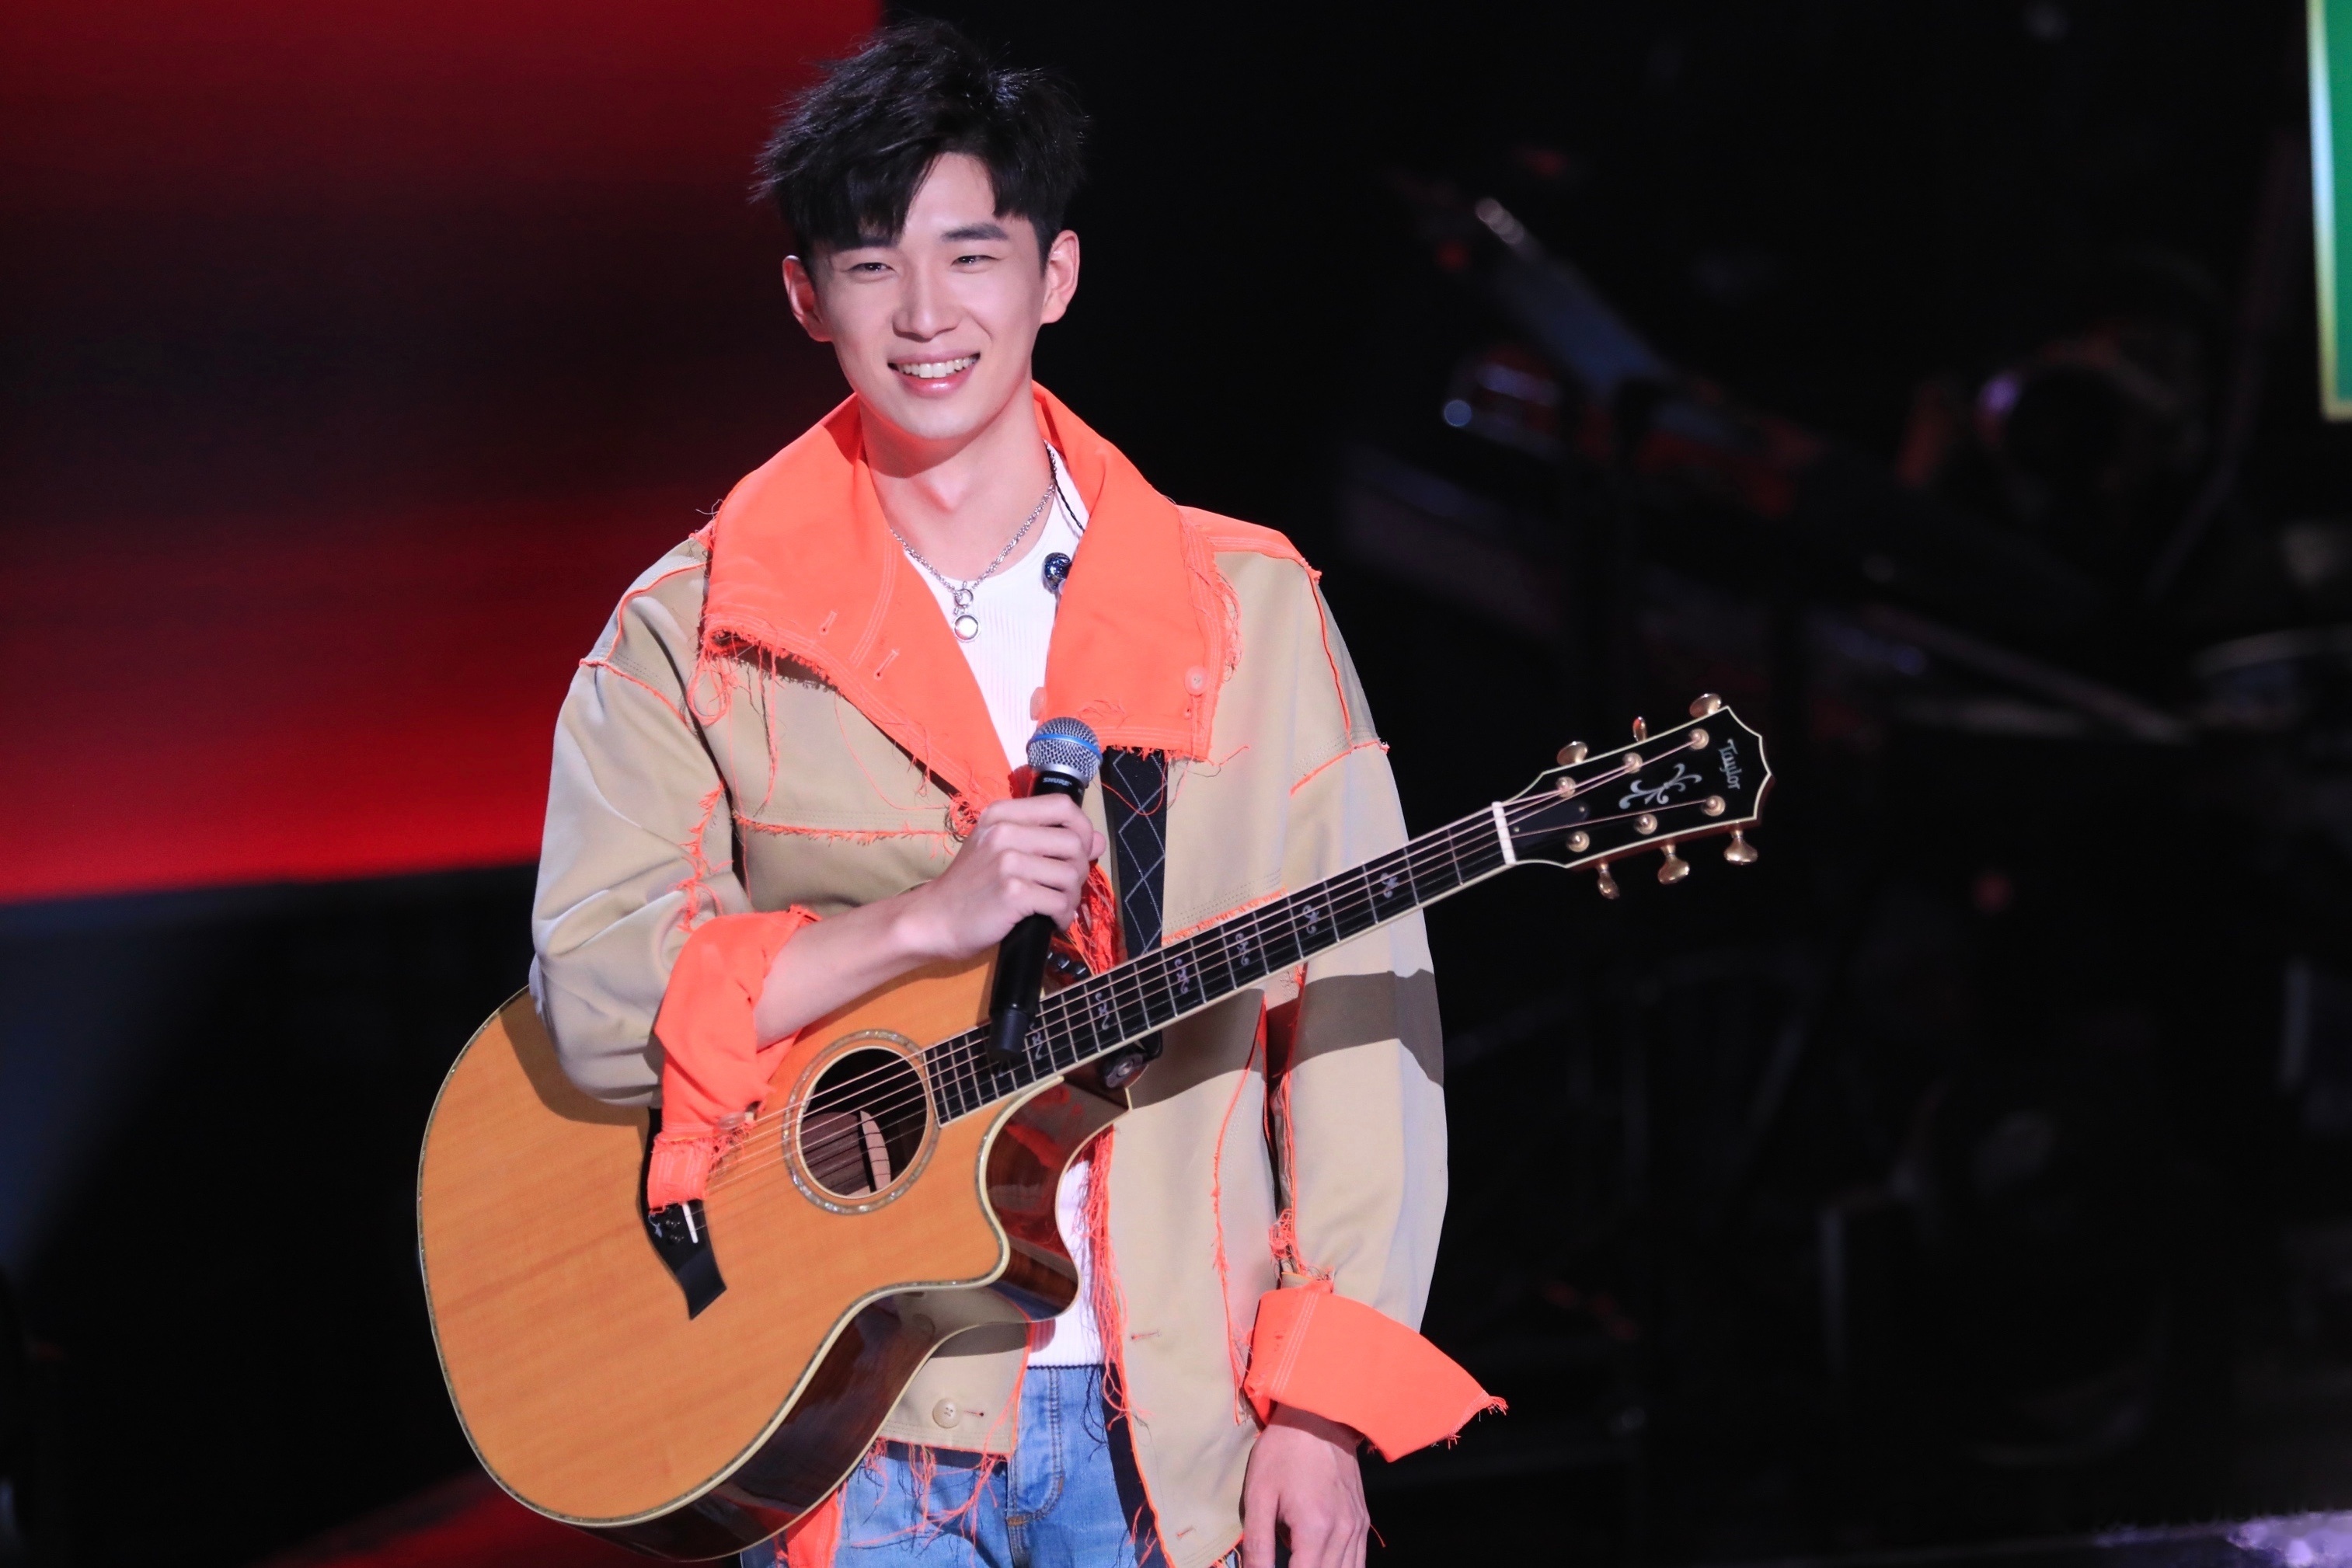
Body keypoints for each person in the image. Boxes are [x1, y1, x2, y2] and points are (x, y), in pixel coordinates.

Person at [529, 22, 1489, 1568]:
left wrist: (1319, 1409)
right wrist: (925, 922)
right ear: (806, 297)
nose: (925, 315)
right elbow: (592, 997)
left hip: (1175, 1420)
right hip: (855, 1420)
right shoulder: (693, 629)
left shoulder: (1242, 611)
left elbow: (1358, 1020)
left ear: (1054, 274)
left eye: (971, 256)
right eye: (870, 265)